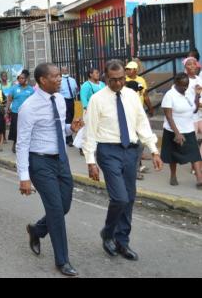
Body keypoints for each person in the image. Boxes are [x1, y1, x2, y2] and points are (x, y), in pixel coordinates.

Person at [83, 59, 163, 261]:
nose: (118, 83)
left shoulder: (131, 96)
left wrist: (153, 150)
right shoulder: (97, 99)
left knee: (129, 198)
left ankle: (122, 241)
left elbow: (142, 123)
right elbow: (90, 132)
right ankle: (108, 233)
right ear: (106, 78)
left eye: (121, 79)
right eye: (113, 80)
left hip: (131, 151)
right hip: (108, 151)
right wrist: (90, 161)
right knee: (119, 197)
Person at [17, 63, 83, 277]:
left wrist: (70, 129)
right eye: (55, 76)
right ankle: (62, 261)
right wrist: (24, 177)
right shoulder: (29, 107)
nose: (59, 79)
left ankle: (37, 230)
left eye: (60, 76)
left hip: (61, 159)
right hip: (40, 162)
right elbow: (22, 143)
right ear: (42, 80)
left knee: (64, 206)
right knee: (56, 210)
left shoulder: (60, 100)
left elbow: (57, 128)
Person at [161, 73, 202, 189]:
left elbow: (194, 110)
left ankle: (199, 178)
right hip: (173, 130)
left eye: (186, 85)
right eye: (182, 85)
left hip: (188, 129)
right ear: (176, 83)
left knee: (195, 154)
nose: (184, 87)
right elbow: (169, 117)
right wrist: (177, 133)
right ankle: (173, 176)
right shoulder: (170, 95)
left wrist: (197, 95)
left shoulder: (187, 94)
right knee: (173, 155)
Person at [6, 69, 34, 153]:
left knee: (26, 129)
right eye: (19, 78)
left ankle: (27, 145)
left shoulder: (30, 89)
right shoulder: (14, 88)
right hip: (15, 112)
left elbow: (33, 101)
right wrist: (7, 109)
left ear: (26, 79)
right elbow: (9, 99)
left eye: (22, 78)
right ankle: (15, 144)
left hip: (27, 113)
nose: (20, 80)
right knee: (15, 129)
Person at [59, 66, 78, 146]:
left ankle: (68, 135)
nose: (65, 71)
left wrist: (76, 94)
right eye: (63, 70)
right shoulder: (60, 81)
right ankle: (69, 138)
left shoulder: (72, 80)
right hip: (64, 100)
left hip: (71, 99)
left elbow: (76, 89)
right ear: (61, 71)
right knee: (67, 118)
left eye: (66, 70)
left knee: (71, 116)